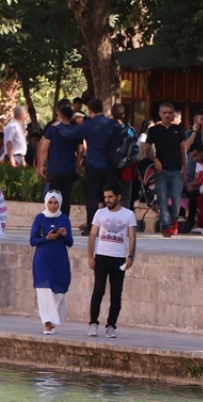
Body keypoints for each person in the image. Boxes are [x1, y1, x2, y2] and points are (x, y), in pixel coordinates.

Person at [87, 182, 136, 338]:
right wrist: (90, 256)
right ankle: (93, 323)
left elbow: (133, 237)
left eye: (110, 197)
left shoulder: (128, 215)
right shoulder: (100, 214)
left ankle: (111, 325)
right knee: (98, 290)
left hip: (118, 258)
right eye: (105, 197)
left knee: (116, 294)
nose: (107, 200)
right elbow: (93, 236)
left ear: (118, 197)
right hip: (101, 257)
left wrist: (131, 256)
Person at [142, 103, 192, 237]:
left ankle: (174, 220)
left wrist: (185, 170)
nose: (167, 115)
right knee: (162, 199)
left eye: (170, 112)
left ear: (173, 114)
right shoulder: (154, 131)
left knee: (176, 198)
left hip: (176, 170)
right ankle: (166, 226)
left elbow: (183, 150)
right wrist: (155, 160)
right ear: (160, 114)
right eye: (164, 113)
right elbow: (147, 149)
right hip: (161, 171)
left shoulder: (179, 129)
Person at [30, 190, 74, 334]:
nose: (53, 206)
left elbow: (70, 242)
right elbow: (32, 240)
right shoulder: (39, 218)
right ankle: (47, 322)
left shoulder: (64, 219)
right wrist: (46, 238)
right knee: (44, 291)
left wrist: (64, 234)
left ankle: (53, 319)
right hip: (42, 260)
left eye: (56, 203)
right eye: (50, 202)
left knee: (59, 292)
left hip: (59, 259)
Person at [38, 105, 81, 218]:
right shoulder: (76, 131)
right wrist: (78, 167)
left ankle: (52, 220)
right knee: (66, 198)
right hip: (70, 168)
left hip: (55, 169)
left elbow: (44, 148)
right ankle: (64, 222)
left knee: (53, 197)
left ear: (60, 116)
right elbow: (80, 151)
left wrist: (41, 165)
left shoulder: (52, 130)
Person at [79, 99, 116, 234]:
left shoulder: (88, 124)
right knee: (109, 196)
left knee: (92, 196)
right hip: (110, 165)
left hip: (94, 164)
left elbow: (71, 135)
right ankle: (110, 225)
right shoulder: (112, 124)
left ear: (89, 110)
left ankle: (92, 226)